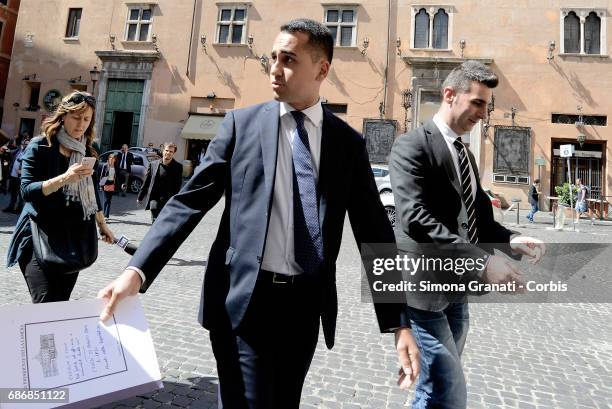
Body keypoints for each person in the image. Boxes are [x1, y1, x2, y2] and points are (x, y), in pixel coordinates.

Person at [98, 19, 419, 409]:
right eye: (273, 57)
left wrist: (400, 320)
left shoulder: (346, 144)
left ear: (321, 70)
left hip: (305, 307)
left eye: (289, 60)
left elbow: (374, 231)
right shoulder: (241, 125)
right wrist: (138, 270)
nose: (274, 68)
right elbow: (189, 200)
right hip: (244, 300)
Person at [389, 61, 545, 409]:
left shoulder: (466, 155)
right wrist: (482, 261)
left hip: (457, 289)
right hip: (423, 292)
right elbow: (414, 218)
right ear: (449, 95)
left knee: (434, 386)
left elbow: (481, 221)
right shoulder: (411, 146)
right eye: (477, 102)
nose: (483, 113)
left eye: (486, 105)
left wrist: (512, 241)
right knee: (451, 389)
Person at [6, 91, 115, 303]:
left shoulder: (88, 152)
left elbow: (92, 191)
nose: (81, 124)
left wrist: (102, 225)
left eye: (86, 119)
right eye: (76, 117)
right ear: (63, 115)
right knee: (46, 301)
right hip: (37, 236)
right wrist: (65, 178)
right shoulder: (39, 146)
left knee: (61, 302)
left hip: (70, 240)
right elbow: (27, 191)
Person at [137, 142, 183, 223]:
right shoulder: (153, 164)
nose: (168, 153)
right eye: (166, 150)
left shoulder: (178, 167)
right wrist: (140, 197)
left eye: (171, 151)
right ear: (163, 151)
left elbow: (177, 186)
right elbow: (147, 182)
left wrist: (176, 202)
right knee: (155, 221)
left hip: (168, 201)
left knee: (164, 224)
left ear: (173, 153)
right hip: (154, 200)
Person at [3, 137, 29, 213]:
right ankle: (11, 207)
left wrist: (23, 171)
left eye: (27, 144)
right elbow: (10, 152)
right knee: (13, 193)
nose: (25, 145)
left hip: (20, 177)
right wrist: (5, 148)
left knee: (20, 195)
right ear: (22, 144)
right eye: (25, 143)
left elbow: (31, 165)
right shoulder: (19, 150)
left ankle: (19, 209)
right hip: (13, 175)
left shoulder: (29, 153)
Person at [99, 153, 118, 221]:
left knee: (109, 200)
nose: (112, 159)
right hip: (106, 184)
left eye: (113, 158)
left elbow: (116, 176)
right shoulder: (105, 165)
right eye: (111, 158)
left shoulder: (115, 166)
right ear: (108, 158)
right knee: (106, 200)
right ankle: (104, 215)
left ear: (115, 160)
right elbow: (101, 176)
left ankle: (107, 215)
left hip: (112, 184)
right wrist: (101, 186)